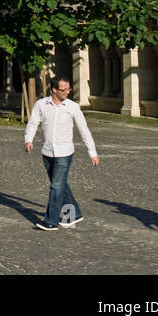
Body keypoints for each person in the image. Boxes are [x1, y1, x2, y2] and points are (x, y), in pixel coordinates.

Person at [24, 75, 99, 230]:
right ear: (53, 90)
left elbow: (84, 129)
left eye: (68, 89)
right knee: (60, 185)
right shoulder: (41, 104)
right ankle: (74, 215)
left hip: (65, 153)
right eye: (63, 90)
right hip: (47, 151)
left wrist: (92, 152)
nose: (67, 92)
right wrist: (28, 140)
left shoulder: (72, 107)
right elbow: (33, 123)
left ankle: (51, 221)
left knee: (56, 187)